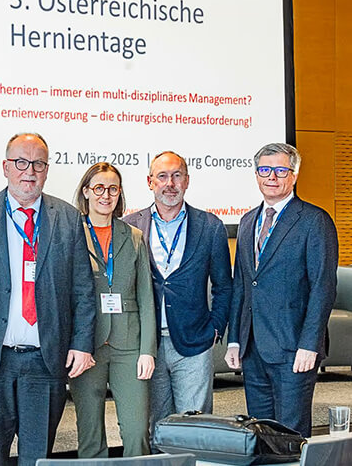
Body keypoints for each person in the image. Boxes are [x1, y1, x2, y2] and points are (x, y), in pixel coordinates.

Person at [0, 132, 96, 466]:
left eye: (38, 163)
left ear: (47, 169)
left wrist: (82, 344)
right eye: (21, 162)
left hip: (44, 360)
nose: (29, 171)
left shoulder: (67, 217)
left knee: (37, 457)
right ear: (5, 167)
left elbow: (82, 289)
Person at [225, 142, 338, 437]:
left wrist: (309, 344)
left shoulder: (314, 221)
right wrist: (235, 339)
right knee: (260, 434)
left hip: (293, 348)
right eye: (264, 169)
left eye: (280, 170)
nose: (271, 177)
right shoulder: (249, 220)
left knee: (290, 434)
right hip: (253, 348)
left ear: (294, 175)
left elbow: (322, 288)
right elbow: (243, 285)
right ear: (256, 174)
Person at [123, 151, 232, 430]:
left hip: (194, 345)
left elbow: (224, 286)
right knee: (157, 426)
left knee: (196, 427)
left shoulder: (210, 226)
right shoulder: (130, 226)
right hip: (147, 346)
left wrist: (215, 329)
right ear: (150, 182)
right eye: (162, 176)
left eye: (177, 175)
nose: (169, 183)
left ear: (187, 180)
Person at [70, 162, 156, 458]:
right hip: (87, 346)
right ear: (86, 192)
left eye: (113, 189)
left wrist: (148, 350)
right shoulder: (71, 233)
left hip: (129, 346)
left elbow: (146, 297)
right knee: (90, 433)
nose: (106, 195)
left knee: (135, 431)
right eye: (99, 188)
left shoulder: (133, 236)